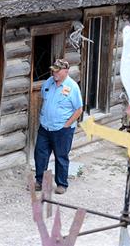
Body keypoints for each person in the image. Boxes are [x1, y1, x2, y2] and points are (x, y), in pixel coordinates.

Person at [34, 58, 83, 194]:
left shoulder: (72, 87)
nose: (54, 73)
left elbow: (79, 109)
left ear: (66, 71)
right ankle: (39, 181)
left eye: (57, 70)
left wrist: (66, 125)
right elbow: (44, 98)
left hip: (62, 129)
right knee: (40, 154)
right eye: (53, 70)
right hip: (45, 127)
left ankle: (61, 184)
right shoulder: (48, 83)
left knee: (61, 156)